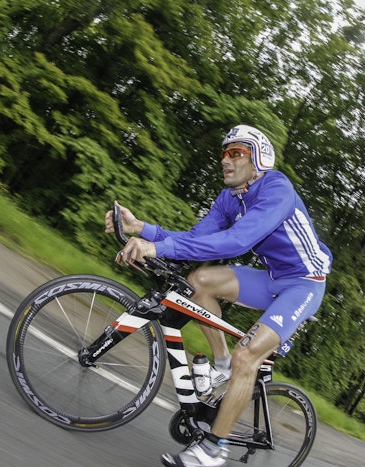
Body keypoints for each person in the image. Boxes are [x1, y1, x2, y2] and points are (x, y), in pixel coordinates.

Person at [105, 124, 332, 467]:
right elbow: (196, 239)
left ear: (258, 159)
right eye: (224, 153)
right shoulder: (230, 198)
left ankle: (213, 449)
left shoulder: (277, 189)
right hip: (272, 278)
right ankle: (222, 365)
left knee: (248, 357)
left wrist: (156, 248)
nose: (225, 160)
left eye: (236, 153)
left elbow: (237, 241)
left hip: (304, 284)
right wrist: (142, 229)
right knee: (199, 281)